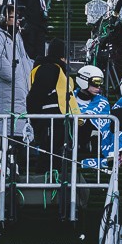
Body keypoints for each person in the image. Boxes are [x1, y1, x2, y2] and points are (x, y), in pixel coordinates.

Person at [26, 39, 79, 171]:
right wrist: (36, 121)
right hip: (50, 121)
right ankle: (45, 178)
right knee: (49, 154)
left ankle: (51, 176)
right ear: (62, 56)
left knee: (54, 154)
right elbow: (36, 96)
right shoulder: (50, 69)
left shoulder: (56, 70)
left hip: (56, 120)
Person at [0, 0, 32, 144]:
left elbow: (24, 60)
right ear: (2, 15)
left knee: (17, 141)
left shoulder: (17, 35)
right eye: (13, 16)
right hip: (6, 96)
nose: (17, 19)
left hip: (19, 95)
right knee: (5, 142)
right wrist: (15, 76)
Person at [73, 65, 114, 164]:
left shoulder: (102, 102)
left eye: (100, 84)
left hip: (95, 142)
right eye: (95, 83)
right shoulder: (70, 99)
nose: (98, 88)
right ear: (84, 81)